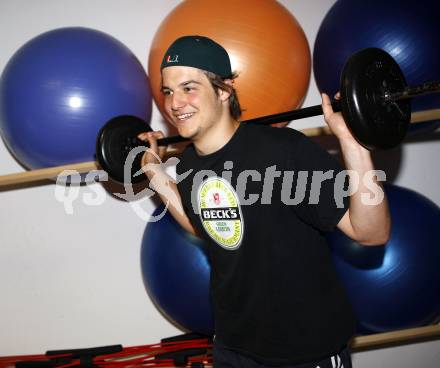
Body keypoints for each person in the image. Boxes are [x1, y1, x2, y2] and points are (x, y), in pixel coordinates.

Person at [138, 35, 391, 368]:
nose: (174, 103)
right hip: (233, 348)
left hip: (304, 352)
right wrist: (155, 172)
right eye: (168, 91)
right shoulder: (189, 165)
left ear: (224, 90)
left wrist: (352, 142)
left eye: (189, 88)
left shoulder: (284, 151)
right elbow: (206, 226)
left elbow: (371, 232)